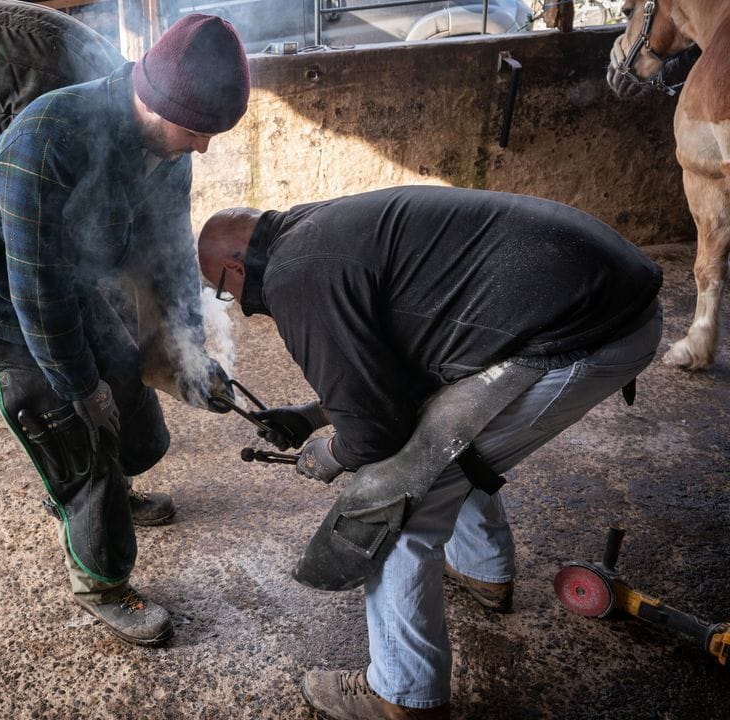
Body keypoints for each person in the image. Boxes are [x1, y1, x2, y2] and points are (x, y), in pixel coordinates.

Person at [197, 186, 662, 719]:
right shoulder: (312, 229)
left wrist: (332, 453)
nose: (242, 308)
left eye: (225, 291)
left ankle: (403, 696)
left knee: (395, 500)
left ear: (237, 262)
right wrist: (311, 414)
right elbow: (407, 353)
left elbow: (376, 435)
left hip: (586, 331)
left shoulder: (292, 276)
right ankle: (483, 571)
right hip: (604, 296)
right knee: (444, 439)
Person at [0, 14, 251, 647]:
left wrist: (191, 352)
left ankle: (109, 502)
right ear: (156, 101)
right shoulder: (50, 138)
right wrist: (79, 385)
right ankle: (102, 581)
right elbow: (36, 290)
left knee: (126, 398)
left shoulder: (167, 152)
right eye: (197, 131)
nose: (204, 147)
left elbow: (168, 259)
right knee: (77, 428)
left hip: (69, 287)